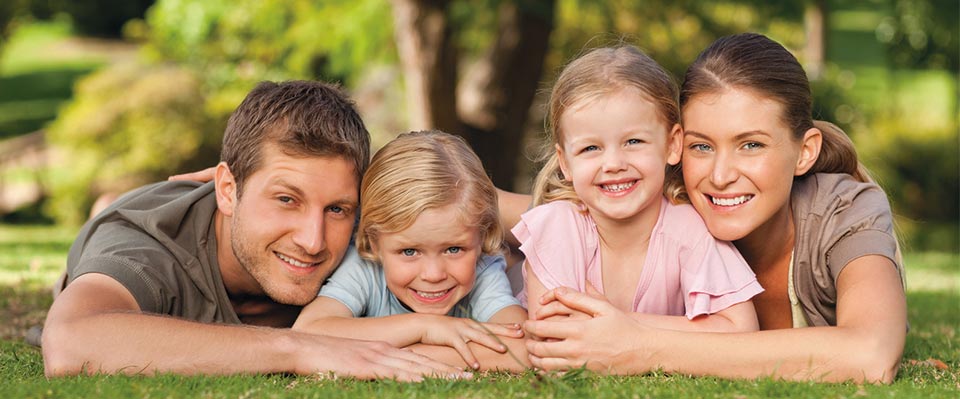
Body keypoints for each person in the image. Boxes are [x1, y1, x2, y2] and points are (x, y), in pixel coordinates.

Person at [520, 33, 907, 383]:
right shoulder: (656, 196)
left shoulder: (844, 211)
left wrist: (635, 341)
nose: (720, 176)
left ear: (804, 152)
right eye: (701, 146)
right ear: (677, 148)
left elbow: (870, 355)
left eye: (751, 144)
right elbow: (520, 213)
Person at [41, 80, 467, 380]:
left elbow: (477, 205)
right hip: (143, 215)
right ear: (227, 189)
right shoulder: (149, 247)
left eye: (336, 208)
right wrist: (298, 348)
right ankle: (107, 205)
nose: (313, 240)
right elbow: (70, 343)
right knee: (112, 220)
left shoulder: (366, 233)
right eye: (286, 199)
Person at [515, 45, 762, 339]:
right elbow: (552, 334)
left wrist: (621, 323)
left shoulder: (691, 229)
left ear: (672, 145)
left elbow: (742, 329)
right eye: (590, 148)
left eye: (633, 141)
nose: (614, 164)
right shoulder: (557, 227)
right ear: (565, 163)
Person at [292, 130, 529, 371]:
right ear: (374, 242)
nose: (433, 274)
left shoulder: (484, 270)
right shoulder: (365, 268)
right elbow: (308, 331)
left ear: (483, 238)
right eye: (409, 252)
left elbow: (522, 347)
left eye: (454, 249)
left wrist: (397, 354)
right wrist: (424, 327)